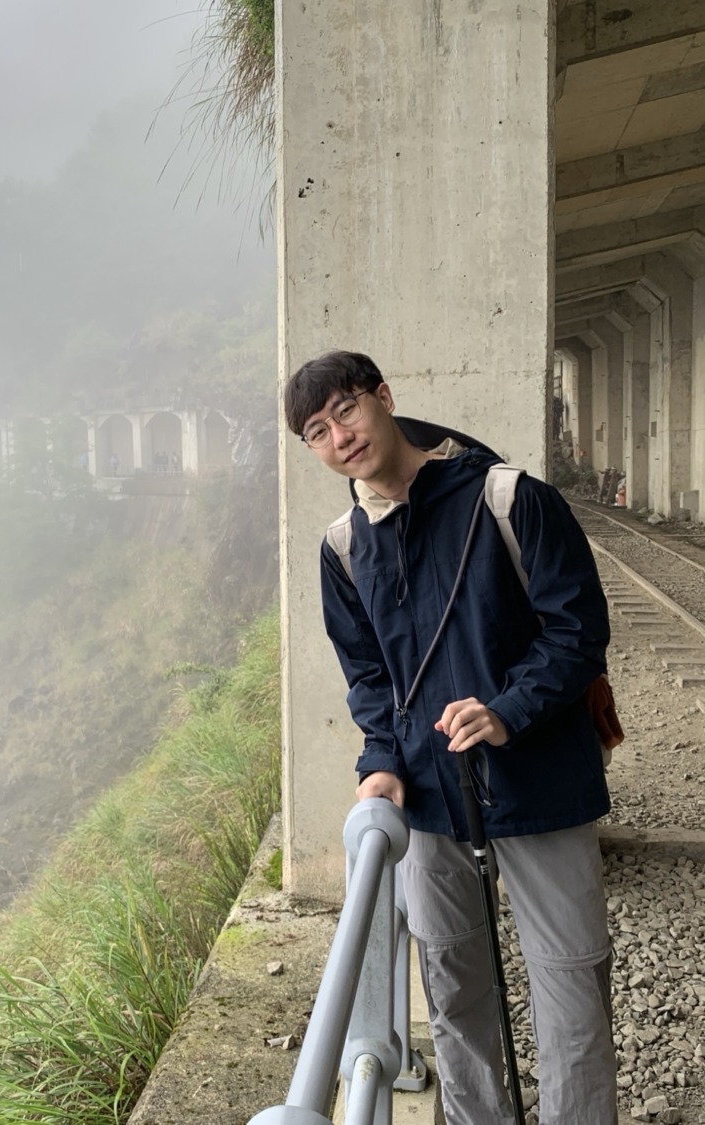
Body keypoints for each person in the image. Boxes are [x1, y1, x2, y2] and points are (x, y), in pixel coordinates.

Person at [284, 350, 617, 1125]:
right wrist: (380, 762)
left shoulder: (508, 498)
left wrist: (505, 709)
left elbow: (576, 631)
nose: (339, 435)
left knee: (571, 980)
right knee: (453, 986)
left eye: (346, 409)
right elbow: (370, 677)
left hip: (541, 783)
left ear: (384, 397)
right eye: (316, 430)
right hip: (430, 801)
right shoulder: (344, 547)